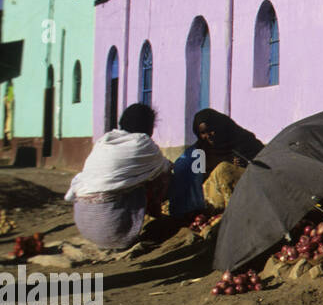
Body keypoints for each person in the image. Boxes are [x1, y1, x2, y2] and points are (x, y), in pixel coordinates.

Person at [65, 103, 172, 250]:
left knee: (134, 179)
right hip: (111, 229)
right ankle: (156, 218)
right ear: (149, 126)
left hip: (84, 223)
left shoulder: (105, 140)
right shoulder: (142, 142)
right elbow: (164, 168)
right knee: (160, 178)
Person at [169, 109, 265, 217]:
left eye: (211, 130)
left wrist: (238, 166)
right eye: (203, 133)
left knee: (224, 170)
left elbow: (261, 163)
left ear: (219, 126)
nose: (208, 135)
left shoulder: (242, 140)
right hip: (211, 202)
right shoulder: (200, 151)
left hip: (248, 194)